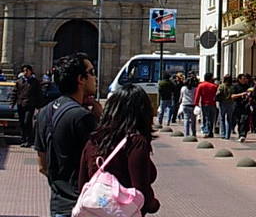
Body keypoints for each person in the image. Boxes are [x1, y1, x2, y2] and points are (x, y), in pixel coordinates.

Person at [33, 52, 102, 217]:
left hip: (58, 204)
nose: (95, 78)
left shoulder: (44, 112)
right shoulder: (82, 117)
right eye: (91, 73)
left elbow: (42, 166)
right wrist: (100, 119)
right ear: (80, 79)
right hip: (82, 205)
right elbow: (100, 163)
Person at [78, 84, 160, 215]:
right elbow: (141, 194)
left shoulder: (93, 142)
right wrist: (154, 204)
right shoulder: (135, 143)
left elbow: (82, 185)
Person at [11, 63, 42, 147]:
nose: (25, 72)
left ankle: (29, 140)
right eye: (24, 71)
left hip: (30, 104)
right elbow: (15, 92)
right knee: (21, 122)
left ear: (30, 71)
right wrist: (12, 103)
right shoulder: (19, 81)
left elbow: (39, 94)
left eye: (27, 71)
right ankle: (23, 139)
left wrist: (39, 106)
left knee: (27, 121)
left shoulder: (35, 82)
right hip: (20, 104)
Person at [194, 72, 219, 138]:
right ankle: (210, 131)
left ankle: (206, 131)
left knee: (205, 117)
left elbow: (197, 95)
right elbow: (217, 95)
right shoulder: (214, 86)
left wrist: (196, 103)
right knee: (212, 118)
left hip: (204, 103)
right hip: (213, 103)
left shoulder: (201, 85)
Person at [231, 73, 252, 143]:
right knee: (239, 121)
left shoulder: (248, 86)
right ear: (239, 79)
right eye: (243, 79)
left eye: (245, 79)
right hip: (237, 106)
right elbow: (232, 96)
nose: (245, 80)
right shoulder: (235, 86)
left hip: (246, 106)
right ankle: (240, 134)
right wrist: (241, 94)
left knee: (244, 120)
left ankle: (243, 135)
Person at [216, 74, 236, 140]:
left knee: (222, 118)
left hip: (222, 103)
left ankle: (223, 134)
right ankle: (228, 135)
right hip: (231, 103)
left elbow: (218, 93)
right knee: (229, 119)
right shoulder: (232, 86)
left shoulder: (221, 86)